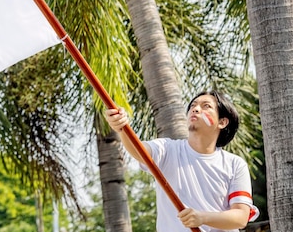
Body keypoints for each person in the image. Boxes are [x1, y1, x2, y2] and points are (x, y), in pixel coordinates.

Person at [105, 90, 259, 232]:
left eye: (206, 106)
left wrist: (202, 218)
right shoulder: (167, 149)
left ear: (222, 122)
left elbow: (240, 217)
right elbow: (139, 151)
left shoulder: (235, 164)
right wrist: (122, 128)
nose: (196, 109)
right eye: (193, 105)